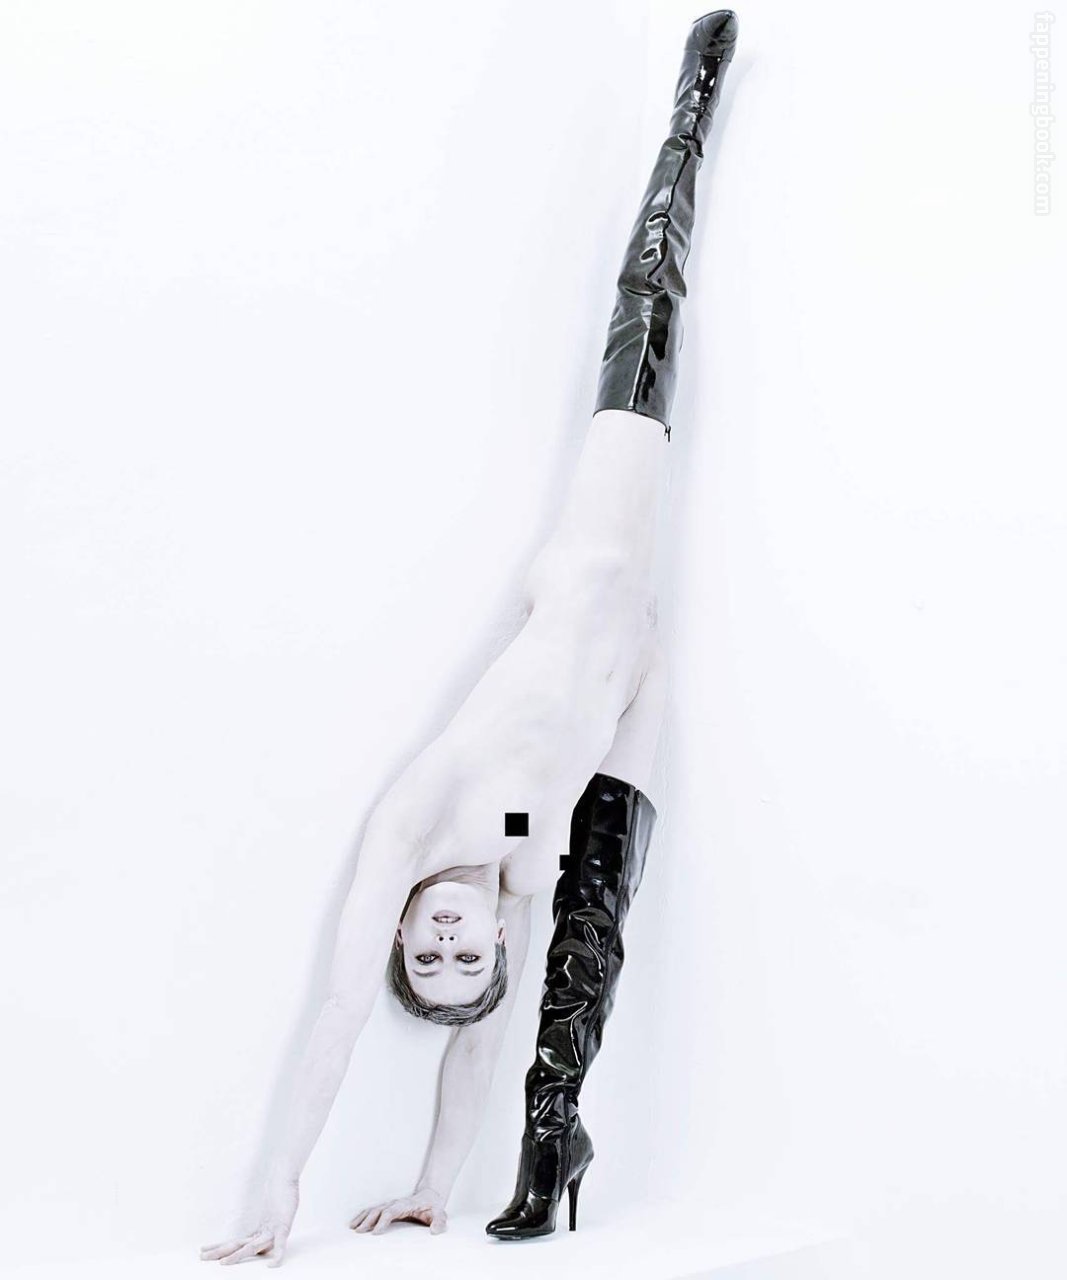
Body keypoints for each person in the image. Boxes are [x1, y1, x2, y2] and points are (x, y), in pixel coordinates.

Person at [200, 10, 737, 1266]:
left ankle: (688, 115)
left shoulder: (418, 823)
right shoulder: (516, 880)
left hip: (595, 571)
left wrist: (279, 1182)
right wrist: (433, 1181)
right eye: (464, 956)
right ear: (487, 941)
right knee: (593, 921)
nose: (447, 941)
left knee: (645, 315)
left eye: (427, 951)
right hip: (632, 696)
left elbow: (340, 1018)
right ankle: (549, 1145)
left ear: (401, 926)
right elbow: (475, 1042)